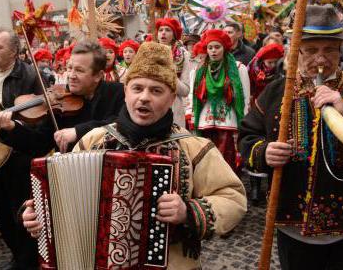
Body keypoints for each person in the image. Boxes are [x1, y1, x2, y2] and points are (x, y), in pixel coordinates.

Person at [20, 42, 247, 269]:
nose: (144, 97)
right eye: (137, 88)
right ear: (126, 93)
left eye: (156, 90)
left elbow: (232, 198)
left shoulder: (195, 147)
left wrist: (188, 211)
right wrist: (36, 214)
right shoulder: (93, 140)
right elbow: (60, 198)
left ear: (171, 99)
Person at [239, 5, 343, 270]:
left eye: (329, 50)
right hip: (294, 229)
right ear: (296, 51)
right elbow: (247, 134)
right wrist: (263, 152)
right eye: (311, 51)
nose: (321, 60)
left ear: (340, 51)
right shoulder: (276, 92)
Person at [0, 29, 43, 270]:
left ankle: (27, 260)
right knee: (2, 214)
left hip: (18, 156)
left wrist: (12, 123)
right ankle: (16, 254)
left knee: (22, 212)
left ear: (14, 51)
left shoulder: (30, 76)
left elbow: (39, 118)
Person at [0, 40, 125, 154]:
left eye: (79, 70)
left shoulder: (118, 92)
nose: (71, 75)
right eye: (69, 68)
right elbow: (39, 144)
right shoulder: (58, 100)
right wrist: (12, 127)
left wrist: (78, 131)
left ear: (98, 76)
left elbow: (121, 124)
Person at [190, 29, 249, 172]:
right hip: (205, 120)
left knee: (226, 158)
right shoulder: (199, 70)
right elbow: (193, 96)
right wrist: (191, 117)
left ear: (224, 48)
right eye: (210, 47)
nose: (213, 51)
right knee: (206, 156)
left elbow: (245, 96)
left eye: (217, 47)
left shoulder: (238, 68)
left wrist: (245, 121)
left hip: (228, 120)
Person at [246, 43, 284, 206]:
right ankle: (255, 187)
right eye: (270, 63)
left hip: (274, 110)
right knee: (258, 147)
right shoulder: (253, 71)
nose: (272, 66)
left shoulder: (280, 75)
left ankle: (269, 186)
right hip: (257, 108)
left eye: (275, 62)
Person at [155, 17, 191, 127]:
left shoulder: (183, 55)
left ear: (174, 34)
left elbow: (185, 91)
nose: (163, 33)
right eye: (161, 30)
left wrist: (169, 74)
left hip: (174, 107)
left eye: (168, 30)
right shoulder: (149, 52)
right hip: (154, 103)